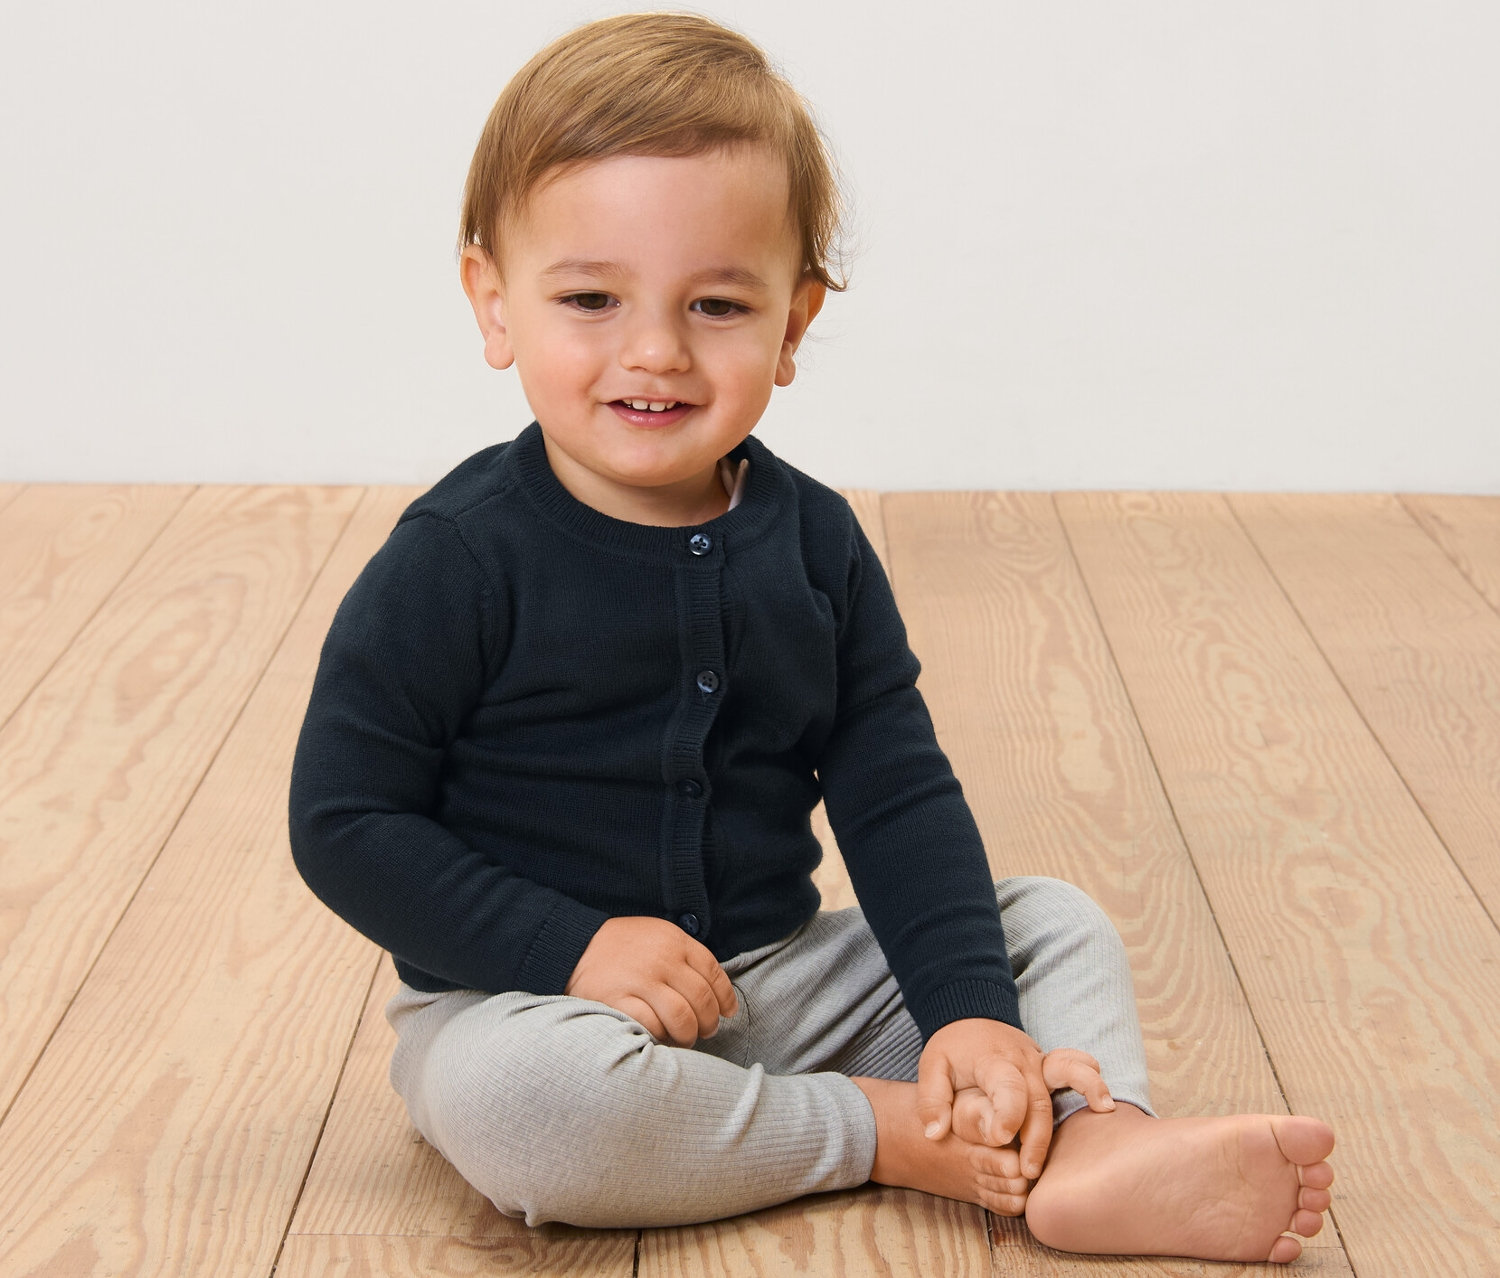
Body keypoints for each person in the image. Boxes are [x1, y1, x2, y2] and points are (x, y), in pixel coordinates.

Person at [289, 12, 1334, 1262]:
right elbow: (344, 821)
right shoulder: (457, 557)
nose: (656, 351)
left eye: (718, 304)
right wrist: (570, 949)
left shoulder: (817, 543)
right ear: (493, 299)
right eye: (590, 297)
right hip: (526, 1005)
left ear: (793, 322)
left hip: (778, 981)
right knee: (525, 1109)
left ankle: (1090, 1143)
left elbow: (895, 792)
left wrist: (964, 1016)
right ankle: (892, 1135)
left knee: (1051, 924)